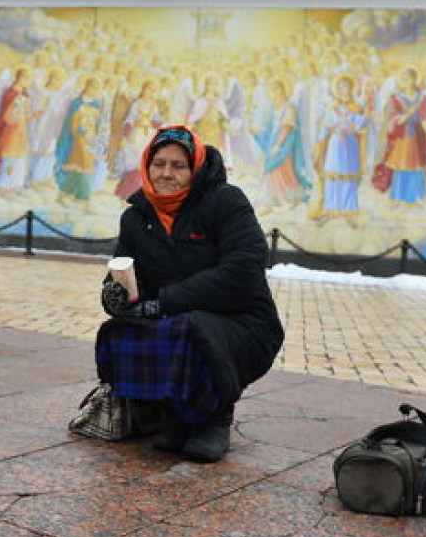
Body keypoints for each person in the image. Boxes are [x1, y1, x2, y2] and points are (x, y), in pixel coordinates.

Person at [95, 124, 284, 463]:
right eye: (159, 164)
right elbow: (123, 269)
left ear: (195, 167)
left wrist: (163, 302)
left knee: (189, 327)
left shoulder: (225, 202)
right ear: (147, 166)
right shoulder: (136, 218)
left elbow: (243, 269)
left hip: (242, 321)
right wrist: (114, 294)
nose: (166, 173)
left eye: (178, 166)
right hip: (175, 314)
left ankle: (214, 417)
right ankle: (173, 411)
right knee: (118, 332)